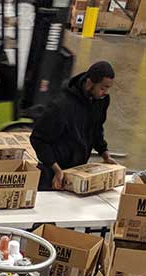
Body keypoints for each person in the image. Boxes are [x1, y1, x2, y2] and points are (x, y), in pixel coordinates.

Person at [31, 61, 117, 191]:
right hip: (54, 174)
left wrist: (105, 154)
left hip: (77, 171)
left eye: (108, 88)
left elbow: (96, 128)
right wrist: (57, 170)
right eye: (103, 88)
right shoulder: (61, 105)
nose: (105, 92)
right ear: (89, 83)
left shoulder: (101, 101)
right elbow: (38, 139)